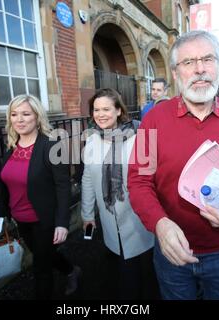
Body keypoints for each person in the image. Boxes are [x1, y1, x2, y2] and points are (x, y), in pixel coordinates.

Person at [127, 30, 219, 300]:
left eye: (208, 59)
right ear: (175, 72)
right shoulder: (153, 121)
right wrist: (160, 224)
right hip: (172, 254)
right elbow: (139, 181)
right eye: (189, 62)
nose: (200, 69)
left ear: (218, 65)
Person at [0, 94, 81, 299]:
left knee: (40, 268)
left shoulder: (51, 146)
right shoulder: (11, 147)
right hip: (20, 218)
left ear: (37, 117)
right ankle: (71, 271)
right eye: (14, 114)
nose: (20, 119)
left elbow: (62, 186)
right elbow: (5, 184)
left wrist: (61, 222)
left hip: (44, 220)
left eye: (26, 114)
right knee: (46, 255)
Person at [81, 88, 159, 299]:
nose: (100, 114)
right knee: (123, 276)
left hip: (138, 218)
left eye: (106, 109)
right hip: (108, 219)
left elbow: (153, 178)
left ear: (118, 110)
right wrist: (87, 215)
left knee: (148, 274)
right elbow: (88, 178)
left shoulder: (138, 138)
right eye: (96, 110)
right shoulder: (91, 140)